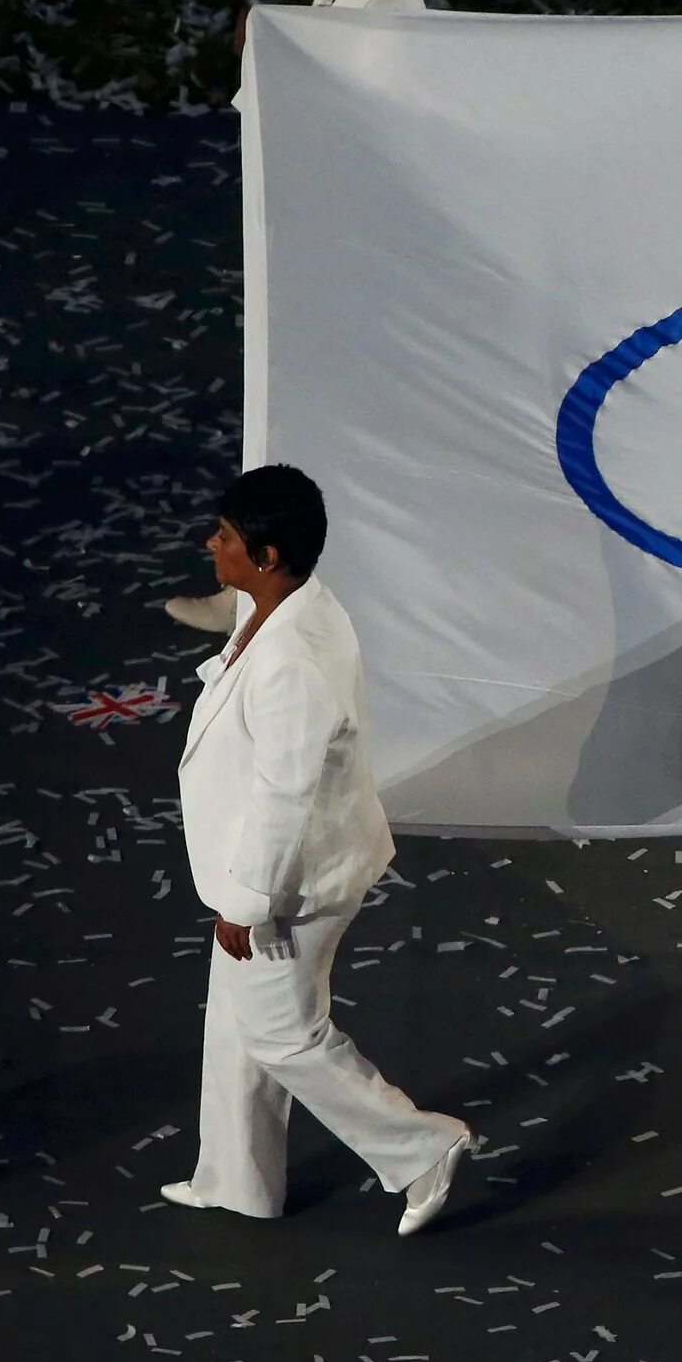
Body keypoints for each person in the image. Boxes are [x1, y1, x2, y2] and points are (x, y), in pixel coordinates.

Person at [160, 465, 475, 1233]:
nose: (212, 543)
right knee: (237, 1025)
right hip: (278, 861)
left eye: (226, 538)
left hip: (293, 882)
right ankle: (237, 1179)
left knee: (282, 1034)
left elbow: (283, 797)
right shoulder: (289, 602)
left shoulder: (291, 663)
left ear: (265, 557)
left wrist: (245, 902)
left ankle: (422, 1148)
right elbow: (242, 625)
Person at [169, 0, 428, 634]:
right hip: (328, 250)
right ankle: (258, 585)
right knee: (293, 416)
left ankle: (265, 592)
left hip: (344, 258)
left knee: (304, 419)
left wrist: (266, 55)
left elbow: (340, 131)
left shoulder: (381, 13)